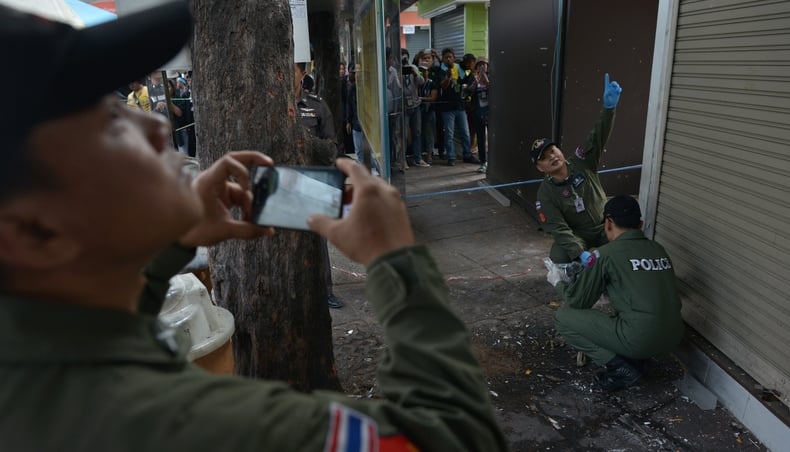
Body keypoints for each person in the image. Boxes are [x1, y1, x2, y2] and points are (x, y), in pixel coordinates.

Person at [0, 3, 508, 451]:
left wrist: (168, 246)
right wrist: (395, 260)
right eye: (109, 120)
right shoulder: (201, 426)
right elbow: (458, 436)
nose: (155, 124)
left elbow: (98, 337)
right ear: (33, 233)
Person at [546, 196, 685, 392]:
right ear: (641, 224)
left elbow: (578, 301)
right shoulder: (658, 249)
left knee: (563, 318)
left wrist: (558, 281)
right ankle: (638, 359)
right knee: (628, 317)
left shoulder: (605, 254)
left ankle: (620, 368)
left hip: (641, 339)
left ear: (609, 223)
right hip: (673, 337)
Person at [532, 73, 622, 264]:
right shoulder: (545, 194)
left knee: (627, 246)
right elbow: (558, 229)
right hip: (579, 233)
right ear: (540, 168)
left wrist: (609, 109)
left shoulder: (582, 162)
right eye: (545, 158)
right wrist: (579, 253)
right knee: (559, 256)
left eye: (553, 151)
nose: (552, 157)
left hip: (606, 224)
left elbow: (597, 136)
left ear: (560, 150)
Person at [294, 61, 343, 309]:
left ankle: (325, 291)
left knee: (317, 241)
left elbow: (332, 147)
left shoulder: (315, 105)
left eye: (291, 70)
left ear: (302, 75)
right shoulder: (266, 107)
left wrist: (306, 145)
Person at [437, 48, 481, 166]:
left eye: (450, 57)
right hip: (447, 107)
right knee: (449, 133)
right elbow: (443, 86)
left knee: (465, 132)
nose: (448, 59)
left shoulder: (458, 68)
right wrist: (448, 77)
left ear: (454, 57)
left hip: (460, 106)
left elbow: (464, 81)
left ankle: (467, 154)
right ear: (443, 58)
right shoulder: (441, 69)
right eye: (446, 57)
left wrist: (472, 74)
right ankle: (451, 157)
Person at [470, 56, 490, 173]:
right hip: (478, 111)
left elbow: (493, 88)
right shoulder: (473, 77)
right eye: (479, 65)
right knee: (480, 138)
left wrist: (485, 77)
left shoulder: (491, 76)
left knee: (492, 138)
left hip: (490, 112)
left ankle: (493, 161)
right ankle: (483, 162)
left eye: (484, 64)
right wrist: (475, 82)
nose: (482, 67)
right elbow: (468, 91)